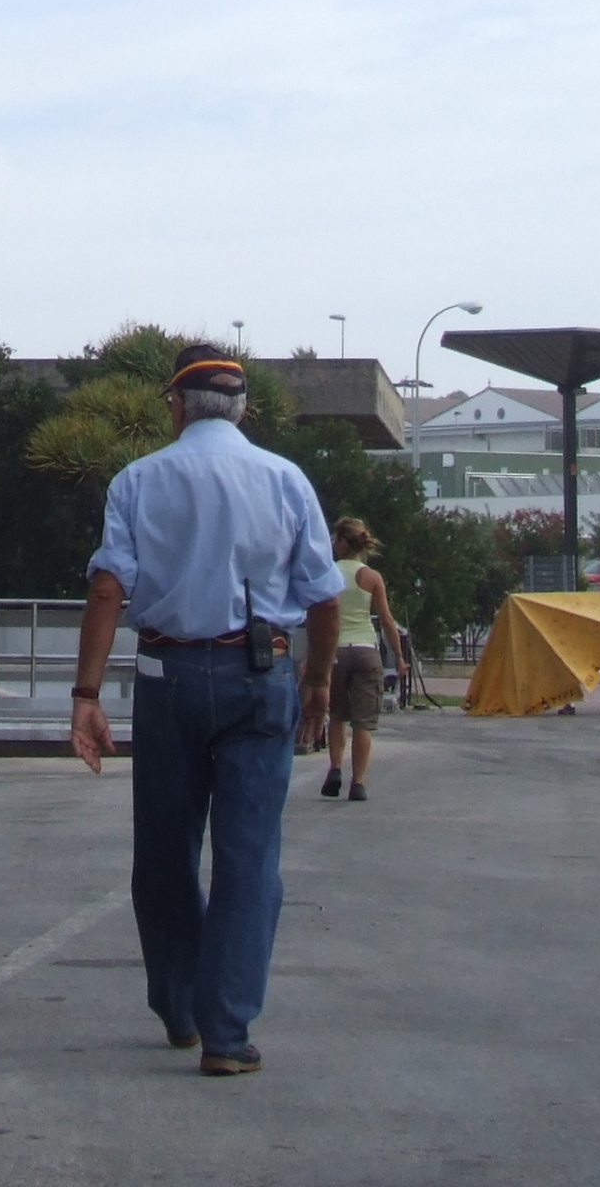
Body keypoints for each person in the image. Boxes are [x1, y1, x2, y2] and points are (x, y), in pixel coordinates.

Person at [70, 345, 345, 1079]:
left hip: (168, 678)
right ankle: (229, 1033)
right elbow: (324, 596)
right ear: (244, 408)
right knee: (250, 858)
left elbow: (107, 590)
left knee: (164, 853)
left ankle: (181, 1011)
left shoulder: (138, 481)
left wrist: (86, 697)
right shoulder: (286, 480)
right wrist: (318, 685)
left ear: (176, 406)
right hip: (263, 678)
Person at [318, 518, 396, 801]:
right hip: (365, 649)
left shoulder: (328, 573)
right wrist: (399, 657)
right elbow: (386, 620)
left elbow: (320, 614)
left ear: (341, 542)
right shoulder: (371, 577)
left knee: (337, 716)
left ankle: (335, 767)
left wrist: (314, 655)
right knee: (363, 722)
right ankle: (358, 782)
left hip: (336, 651)